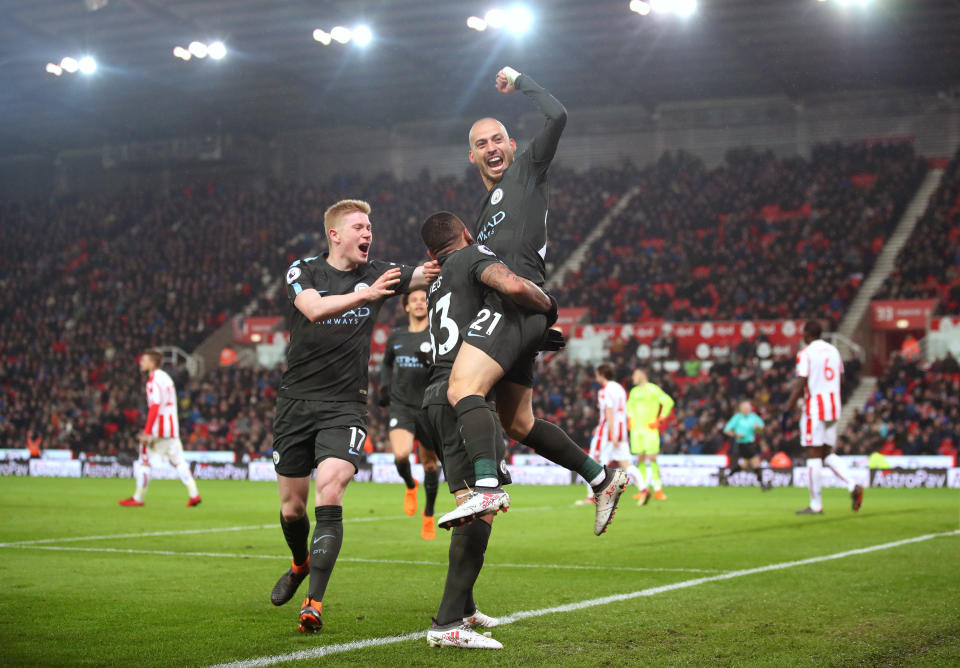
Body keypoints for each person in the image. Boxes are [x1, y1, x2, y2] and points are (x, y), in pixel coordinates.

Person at [442, 66, 628, 535]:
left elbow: (558, 115)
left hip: (515, 302)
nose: (491, 147)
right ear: (471, 155)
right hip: (518, 314)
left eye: (498, 139)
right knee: (518, 422)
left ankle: (486, 485)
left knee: (462, 387)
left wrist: (520, 80)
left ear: (511, 145)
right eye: (482, 143)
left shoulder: (527, 169)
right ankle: (601, 477)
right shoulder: (483, 212)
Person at [267, 199, 439, 633]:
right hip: (295, 403)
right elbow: (311, 308)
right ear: (335, 234)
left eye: (370, 226)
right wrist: (365, 294)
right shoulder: (303, 270)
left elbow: (425, 274)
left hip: (345, 405)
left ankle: (314, 604)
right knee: (292, 509)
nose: (368, 233)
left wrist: (456, 255)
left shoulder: (378, 271)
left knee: (330, 489)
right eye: (360, 226)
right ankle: (299, 562)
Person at [419, 211, 554, 650]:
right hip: (465, 397)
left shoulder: (436, 282)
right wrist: (548, 307)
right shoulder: (473, 255)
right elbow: (513, 286)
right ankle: (446, 624)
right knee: (481, 507)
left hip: (436, 396)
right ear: (465, 233)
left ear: (429, 253)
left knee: (468, 506)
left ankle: (463, 609)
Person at [783, 320, 863, 515]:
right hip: (833, 407)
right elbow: (842, 379)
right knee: (826, 452)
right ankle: (853, 485)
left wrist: (788, 407)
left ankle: (815, 505)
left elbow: (801, 382)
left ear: (807, 334)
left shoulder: (806, 353)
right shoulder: (833, 351)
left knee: (813, 453)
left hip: (814, 409)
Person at [379, 289, 441, 540]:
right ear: (406, 307)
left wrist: (431, 363)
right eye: (413, 300)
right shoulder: (396, 336)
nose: (418, 303)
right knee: (402, 454)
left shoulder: (437, 335)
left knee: (429, 464)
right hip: (401, 406)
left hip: (428, 407)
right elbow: (386, 362)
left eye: (422, 300)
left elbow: (448, 366)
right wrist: (384, 387)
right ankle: (409, 485)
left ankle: (428, 514)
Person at [118, 350, 201, 508]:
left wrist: (147, 431)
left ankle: (138, 498)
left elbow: (155, 407)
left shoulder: (153, 381)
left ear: (152, 363)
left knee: (144, 461)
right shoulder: (166, 377)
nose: (141, 363)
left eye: (144, 360)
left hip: (159, 429)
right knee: (179, 461)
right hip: (172, 427)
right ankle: (194, 494)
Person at [576, 364, 644, 506]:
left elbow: (609, 411)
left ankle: (591, 497)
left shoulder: (604, 391)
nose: (596, 378)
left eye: (597, 375)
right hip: (621, 429)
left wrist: (610, 433)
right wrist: (618, 433)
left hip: (607, 431)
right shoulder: (620, 388)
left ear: (602, 374)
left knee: (592, 462)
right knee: (626, 463)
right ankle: (643, 489)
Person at [626, 368, 674, 505]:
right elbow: (629, 406)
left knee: (652, 458)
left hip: (649, 429)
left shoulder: (653, 389)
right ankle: (643, 489)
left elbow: (668, 402)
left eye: (635, 375)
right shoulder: (634, 392)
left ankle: (658, 489)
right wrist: (629, 418)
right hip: (636, 430)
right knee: (640, 458)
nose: (633, 378)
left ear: (642, 375)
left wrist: (660, 419)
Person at [723, 400, 771, 491]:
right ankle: (763, 484)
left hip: (751, 443)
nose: (747, 410)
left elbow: (762, 430)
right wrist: (736, 435)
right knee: (755, 462)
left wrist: (758, 428)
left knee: (744, 465)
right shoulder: (737, 418)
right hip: (742, 444)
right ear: (741, 409)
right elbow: (726, 430)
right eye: (745, 408)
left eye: (748, 408)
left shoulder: (753, 417)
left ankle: (727, 477)